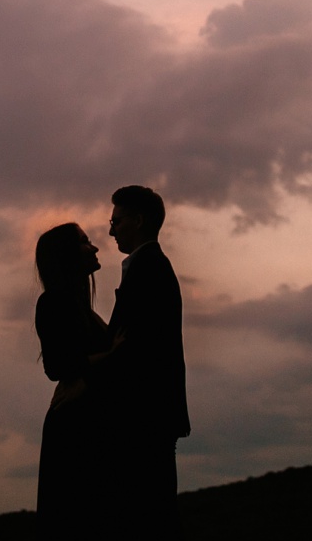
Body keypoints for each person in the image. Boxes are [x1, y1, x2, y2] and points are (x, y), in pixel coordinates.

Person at [93, 184, 190, 539]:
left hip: (143, 416)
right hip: (149, 415)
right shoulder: (148, 267)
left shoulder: (149, 269)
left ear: (138, 220)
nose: (110, 229)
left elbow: (135, 348)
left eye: (116, 221)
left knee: (148, 516)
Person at [33, 222, 111, 539]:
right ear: (66, 254)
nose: (93, 247)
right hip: (74, 430)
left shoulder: (81, 309)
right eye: (84, 242)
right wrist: (114, 354)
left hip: (85, 426)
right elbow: (59, 365)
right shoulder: (54, 302)